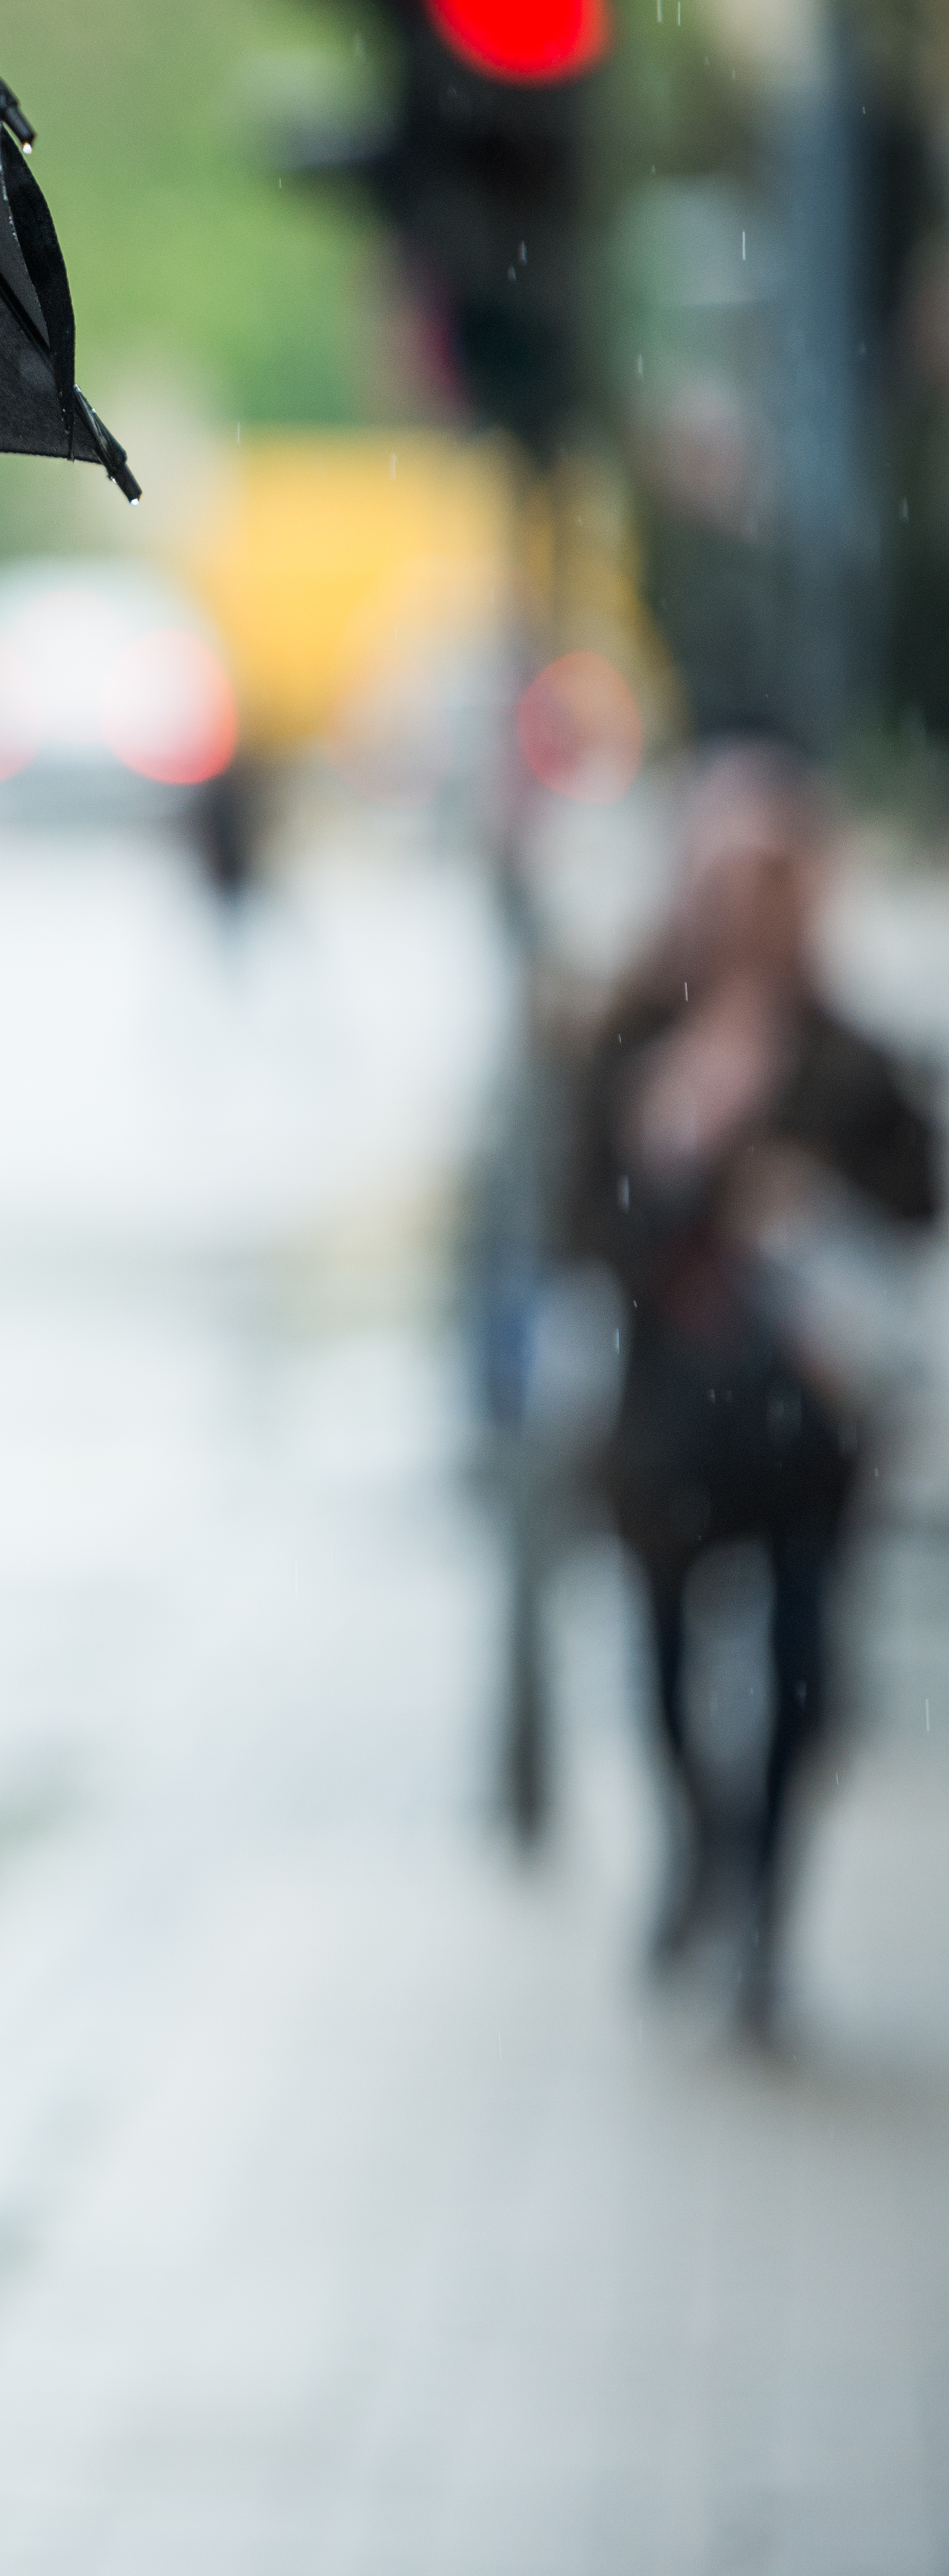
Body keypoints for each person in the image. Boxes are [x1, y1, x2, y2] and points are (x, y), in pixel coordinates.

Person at [558, 741, 936, 2045]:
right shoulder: (629, 1038)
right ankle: (694, 1850)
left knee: (797, 1679)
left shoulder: (851, 1054)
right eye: (730, 877)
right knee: (662, 1670)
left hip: (809, 1423)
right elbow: (580, 1234)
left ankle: (763, 1924)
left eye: (778, 878)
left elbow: (914, 1208)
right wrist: (667, 1150)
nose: (752, 907)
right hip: (668, 1421)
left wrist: (811, 1201)